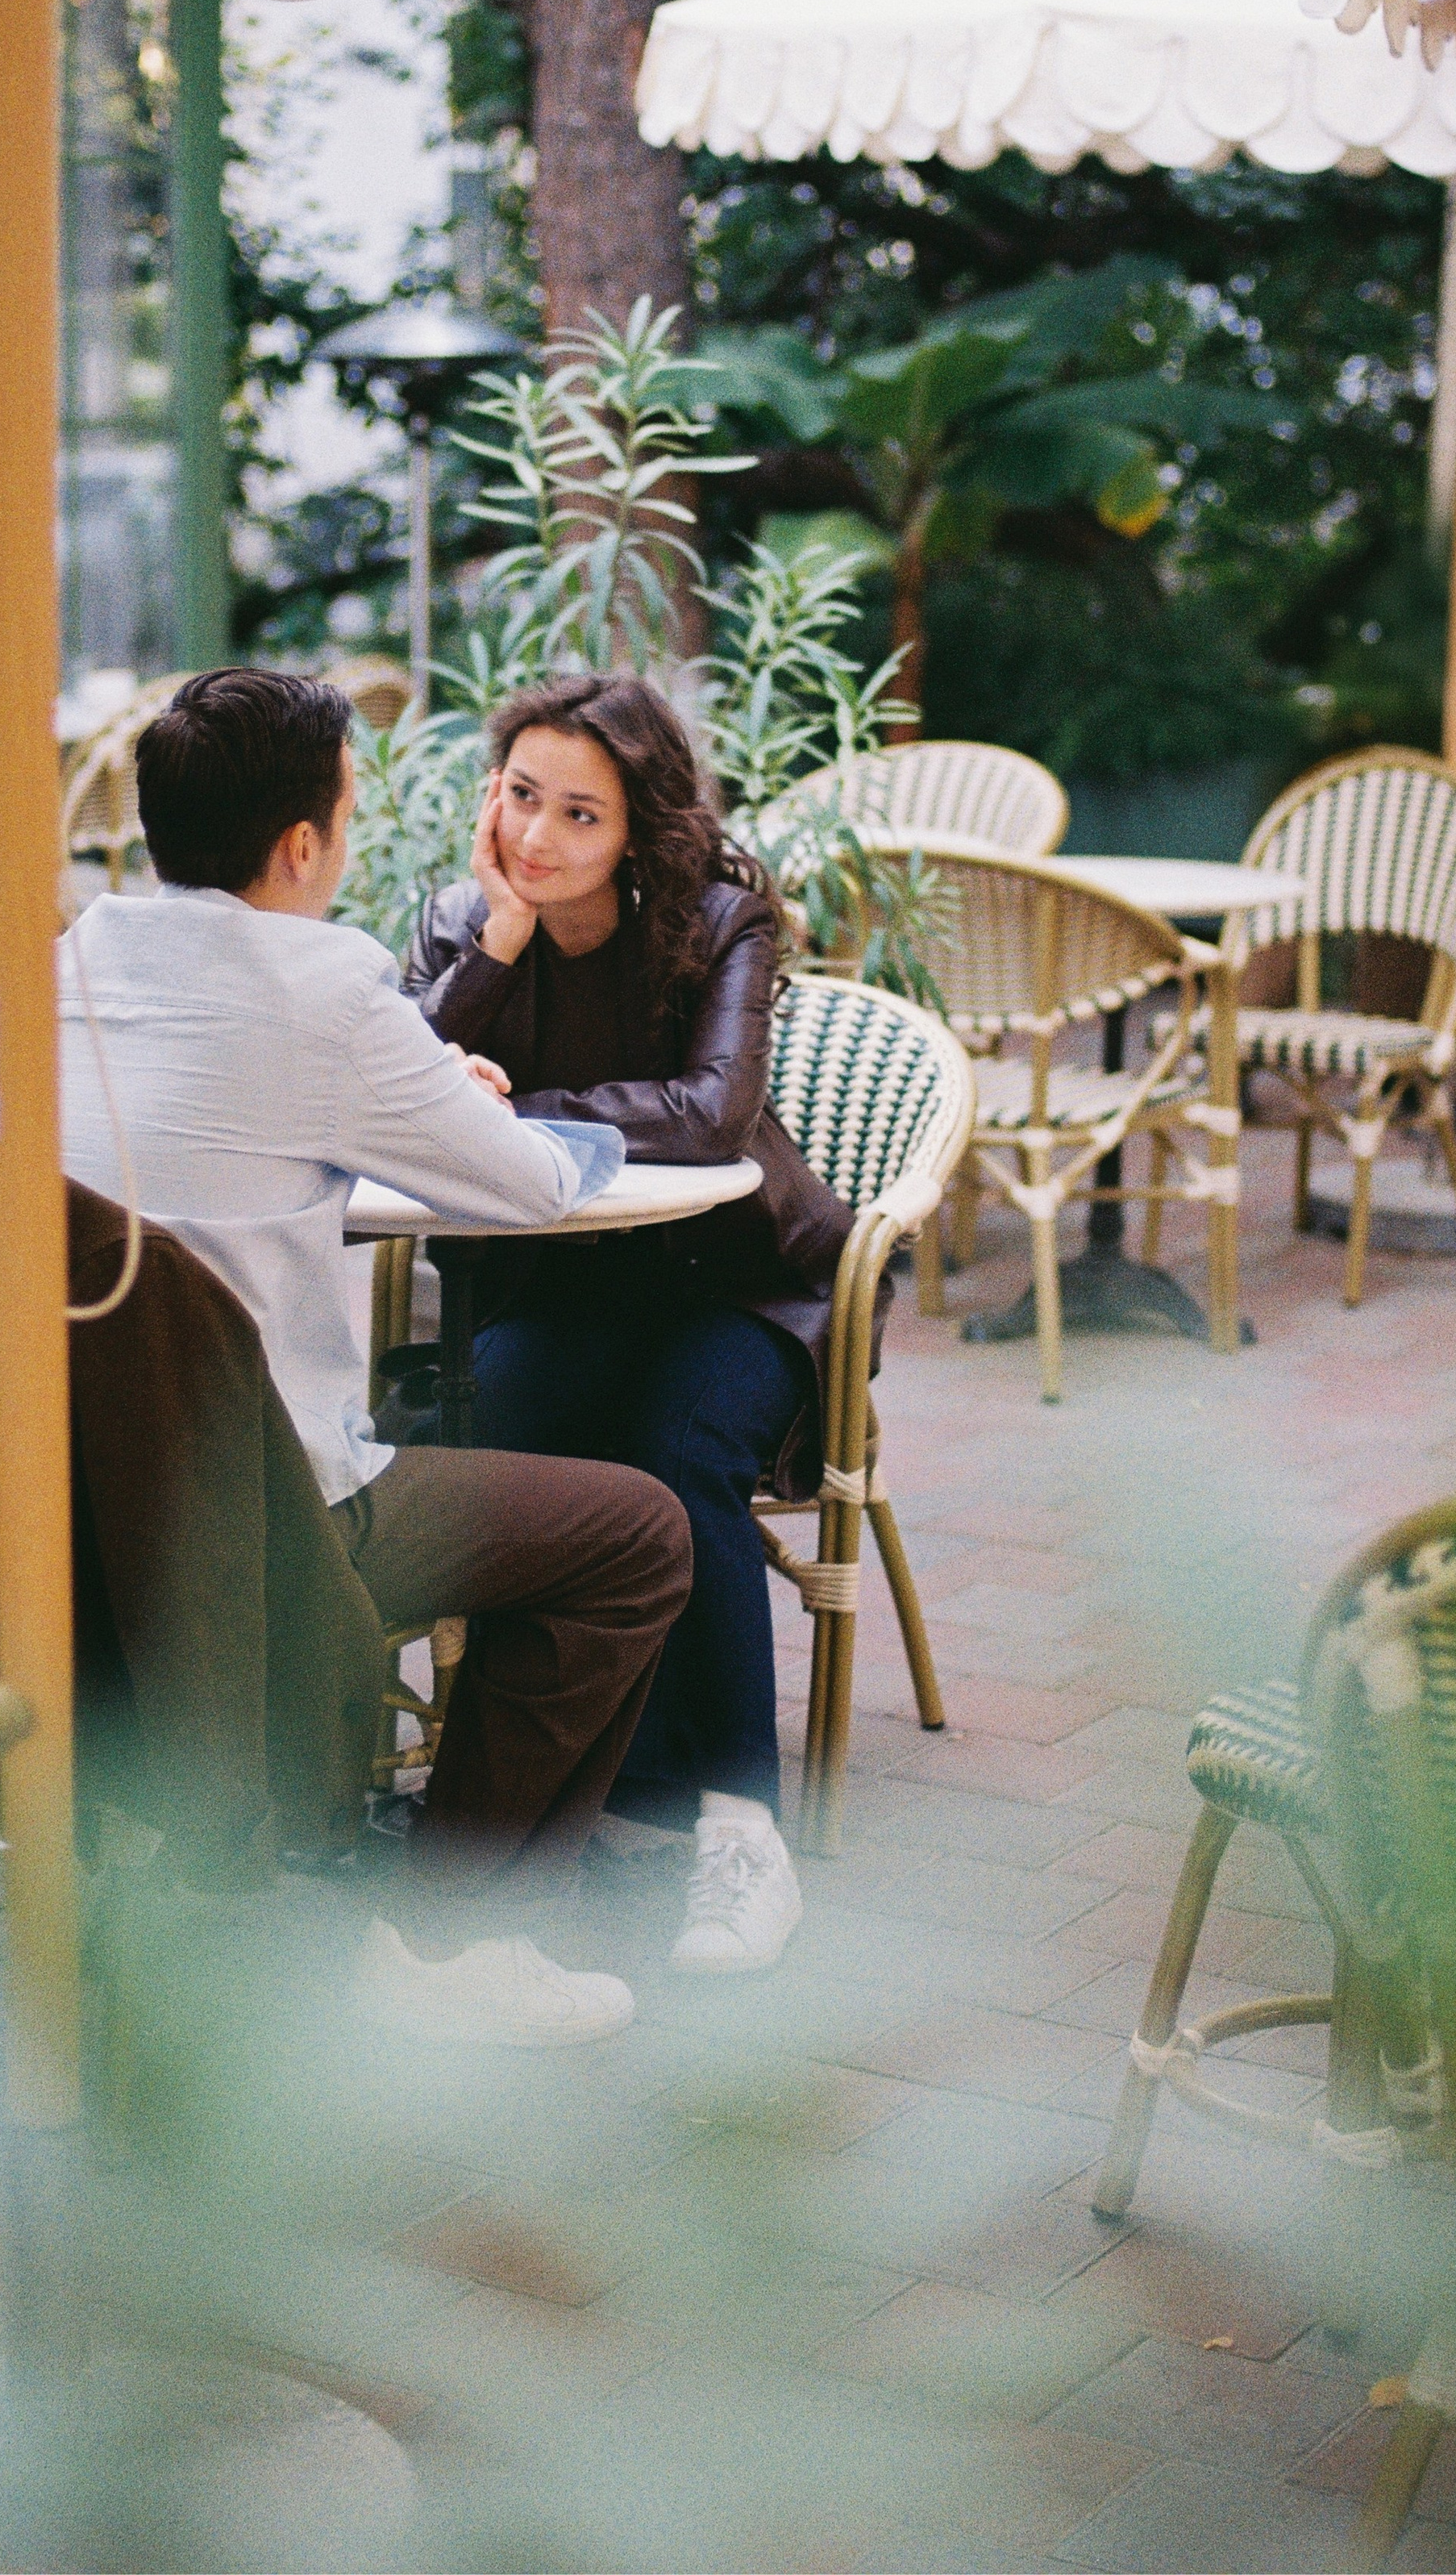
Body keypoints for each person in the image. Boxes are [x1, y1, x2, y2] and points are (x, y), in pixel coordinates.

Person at [55, 667, 693, 2050]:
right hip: (266, 1532)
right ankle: (448, 1941)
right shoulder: (329, 985)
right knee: (634, 1535)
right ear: (304, 846)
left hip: (66, 1520)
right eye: (346, 814)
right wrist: (433, 1094)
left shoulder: (75, 960)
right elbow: (529, 1186)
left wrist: (398, 1085)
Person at [405, 674, 861, 1976]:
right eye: (523, 798)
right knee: (488, 1439)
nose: (540, 838)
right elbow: (397, 1086)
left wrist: (520, 1104)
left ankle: (740, 1834)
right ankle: (528, 1801)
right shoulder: (462, 921)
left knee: (677, 1452)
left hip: (734, 1283)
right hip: (559, 1285)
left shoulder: (721, 922)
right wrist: (493, 945)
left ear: (639, 826)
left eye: (580, 815)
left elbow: (713, 1113)